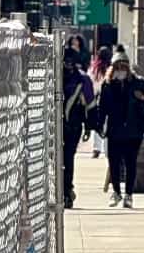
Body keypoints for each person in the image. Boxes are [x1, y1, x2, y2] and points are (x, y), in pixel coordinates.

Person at [95, 49, 144, 210]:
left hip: (133, 130)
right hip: (115, 130)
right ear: (113, 68)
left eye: (124, 67)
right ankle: (116, 191)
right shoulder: (107, 85)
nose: (121, 71)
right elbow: (102, 108)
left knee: (131, 164)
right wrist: (99, 125)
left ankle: (128, 194)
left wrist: (142, 98)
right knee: (114, 163)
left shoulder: (136, 82)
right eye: (118, 67)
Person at [62, 47, 96, 210]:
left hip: (73, 125)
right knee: (62, 159)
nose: (67, 64)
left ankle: (67, 190)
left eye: (70, 61)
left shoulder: (82, 79)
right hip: (59, 125)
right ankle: (64, 189)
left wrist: (89, 127)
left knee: (67, 158)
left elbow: (90, 105)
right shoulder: (54, 76)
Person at [89, 45, 113, 158]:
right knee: (108, 125)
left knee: (98, 124)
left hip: (97, 98)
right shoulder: (112, 68)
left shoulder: (95, 68)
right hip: (110, 99)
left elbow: (92, 83)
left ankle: (96, 149)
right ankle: (108, 150)